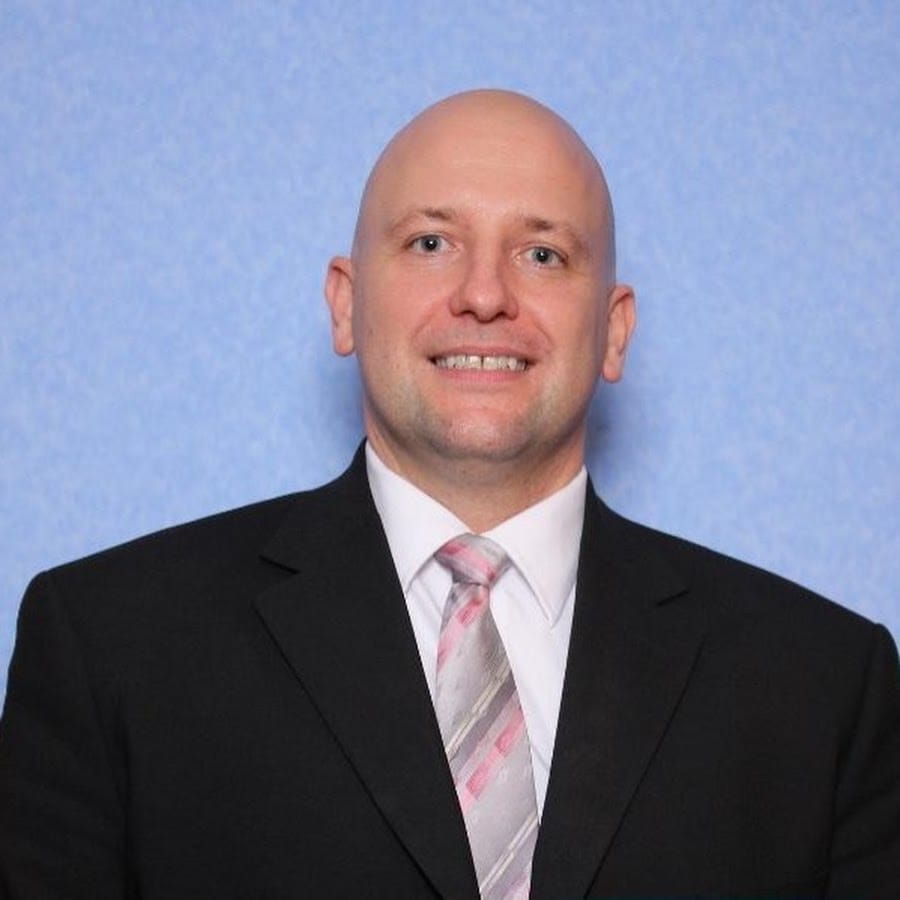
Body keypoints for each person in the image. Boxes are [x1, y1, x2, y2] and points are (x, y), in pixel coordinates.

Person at [1, 89, 898, 899]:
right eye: (431, 243)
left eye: (542, 253)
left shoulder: (823, 687)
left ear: (614, 330)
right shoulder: (109, 647)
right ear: (346, 304)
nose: (484, 295)